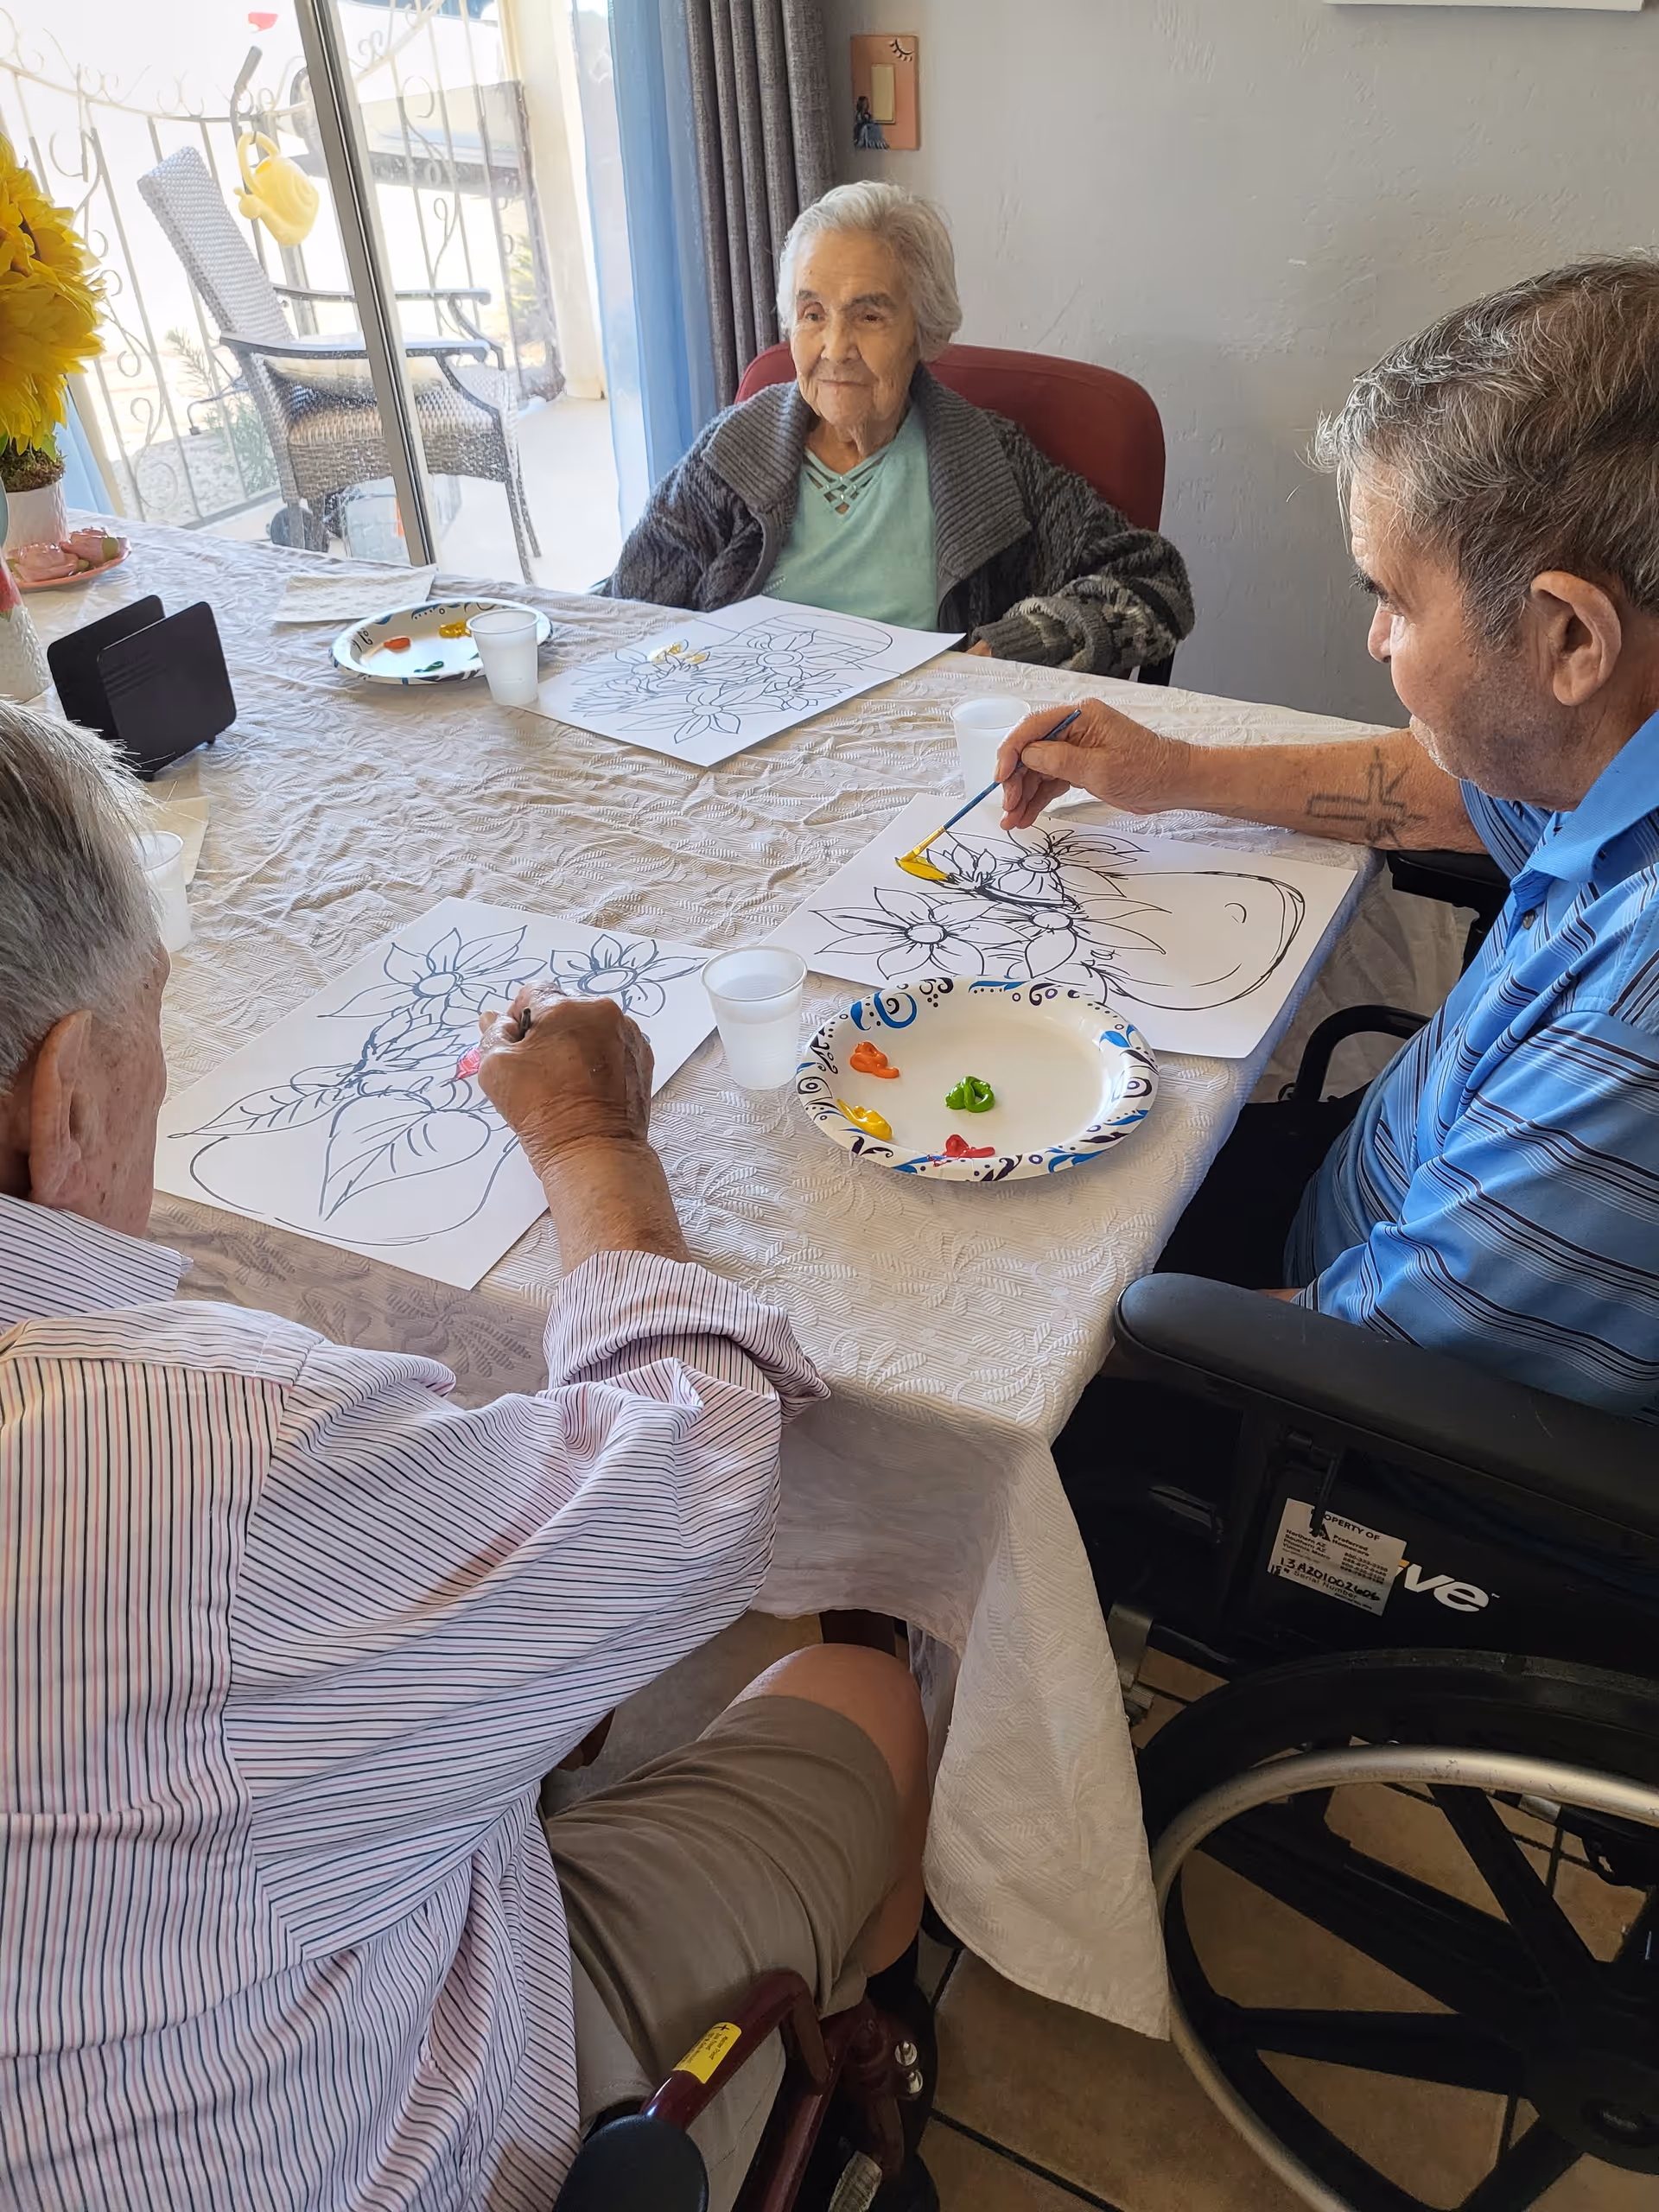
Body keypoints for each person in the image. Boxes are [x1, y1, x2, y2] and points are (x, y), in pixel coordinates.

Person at [0, 705, 933, 2212]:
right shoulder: (200, 1449)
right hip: (374, 2139)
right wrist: (591, 1144)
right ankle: (870, 2067)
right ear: (67, 1098)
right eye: (154, 1023)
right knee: (862, 1694)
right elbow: (694, 1486)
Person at [998, 258, 1659, 1460]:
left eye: (1395, 599)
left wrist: (1034, 1349)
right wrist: (1172, 772)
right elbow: (1450, 788)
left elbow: (1366, 1353)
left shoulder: (1637, 1017)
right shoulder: (1611, 742)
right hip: (1381, 1189)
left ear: (1571, 634)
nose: (1375, 638)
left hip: (1362, 1425)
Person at [601, 181, 1194, 677]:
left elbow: (1156, 583)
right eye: (813, 315)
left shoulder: (986, 462)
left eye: (869, 315)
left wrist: (1023, 642)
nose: (836, 347)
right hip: (738, 740)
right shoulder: (733, 452)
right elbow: (626, 609)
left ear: (924, 330)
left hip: (916, 752)